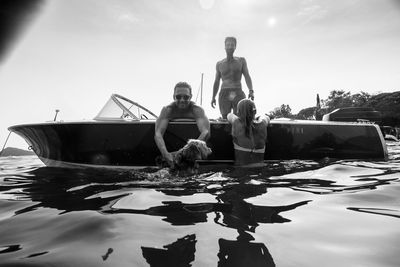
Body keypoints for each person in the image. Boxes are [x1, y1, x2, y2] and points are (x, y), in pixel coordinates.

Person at [155, 82, 210, 167]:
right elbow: (158, 134)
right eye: (178, 97)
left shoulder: (197, 109)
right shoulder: (167, 110)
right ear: (174, 97)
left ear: (190, 97)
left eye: (186, 97)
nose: (182, 100)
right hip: (170, 152)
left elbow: (206, 132)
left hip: (191, 151)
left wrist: (187, 152)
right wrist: (166, 154)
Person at [211, 36, 254, 119]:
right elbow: (216, 81)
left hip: (238, 92)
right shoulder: (219, 64)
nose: (230, 47)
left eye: (232, 45)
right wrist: (213, 97)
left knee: (240, 118)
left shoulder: (241, 61)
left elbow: (247, 76)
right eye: (228, 45)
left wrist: (251, 90)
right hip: (224, 93)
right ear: (225, 47)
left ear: (235, 47)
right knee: (225, 118)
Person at [227, 99, 270, 166]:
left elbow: (229, 115)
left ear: (238, 112)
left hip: (242, 171)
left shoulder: (237, 123)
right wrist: (259, 117)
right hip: (261, 169)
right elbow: (267, 117)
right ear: (255, 111)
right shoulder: (263, 124)